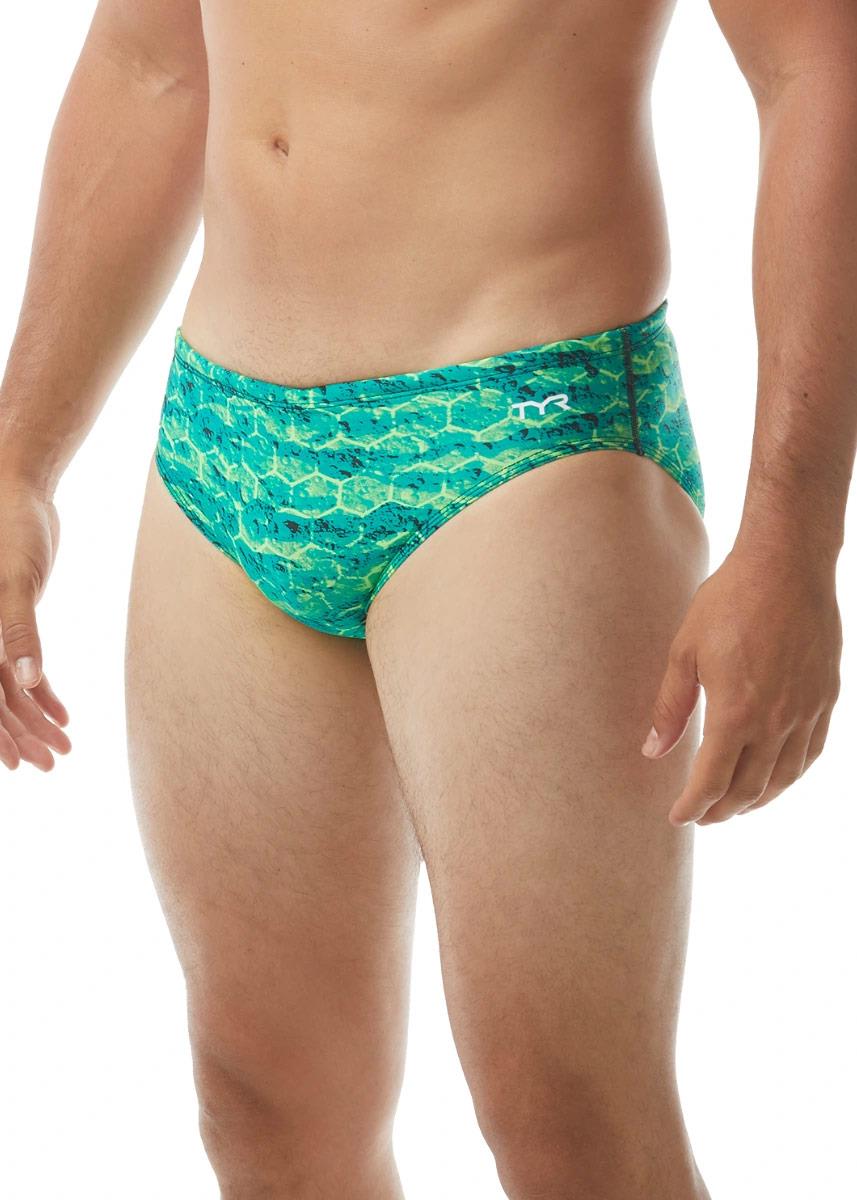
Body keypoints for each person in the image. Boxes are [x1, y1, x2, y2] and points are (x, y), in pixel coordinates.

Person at [0, 0, 853, 1196]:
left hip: (520, 429)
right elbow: (152, 64)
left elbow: (814, 71)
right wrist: (19, 466)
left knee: (564, 1123)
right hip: (225, 440)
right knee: (262, 1097)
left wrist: (791, 542)